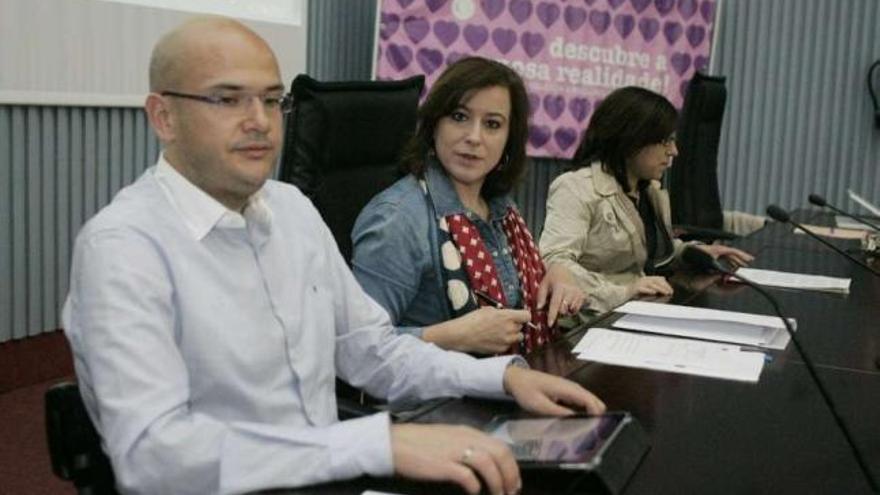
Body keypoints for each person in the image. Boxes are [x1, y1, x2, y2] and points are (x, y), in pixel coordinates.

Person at [61, 17, 607, 495]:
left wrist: (503, 379)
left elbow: (372, 350)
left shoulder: (291, 209)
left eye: (272, 100)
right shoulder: (123, 249)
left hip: (329, 477)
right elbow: (153, 456)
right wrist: (377, 445)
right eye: (227, 99)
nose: (259, 120)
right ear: (163, 117)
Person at [351, 57, 586, 356]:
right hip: (431, 398)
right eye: (460, 117)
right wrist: (452, 337)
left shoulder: (501, 207)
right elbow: (357, 346)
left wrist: (554, 273)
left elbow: (513, 292)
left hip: (509, 382)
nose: (474, 137)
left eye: (492, 124)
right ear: (434, 125)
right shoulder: (396, 219)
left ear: (508, 140)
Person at [539, 86, 753, 312]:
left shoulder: (648, 190)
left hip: (639, 308)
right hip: (591, 317)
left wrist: (694, 253)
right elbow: (556, 261)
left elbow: (646, 252)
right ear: (632, 139)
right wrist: (625, 291)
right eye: (666, 141)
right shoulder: (576, 188)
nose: (674, 151)